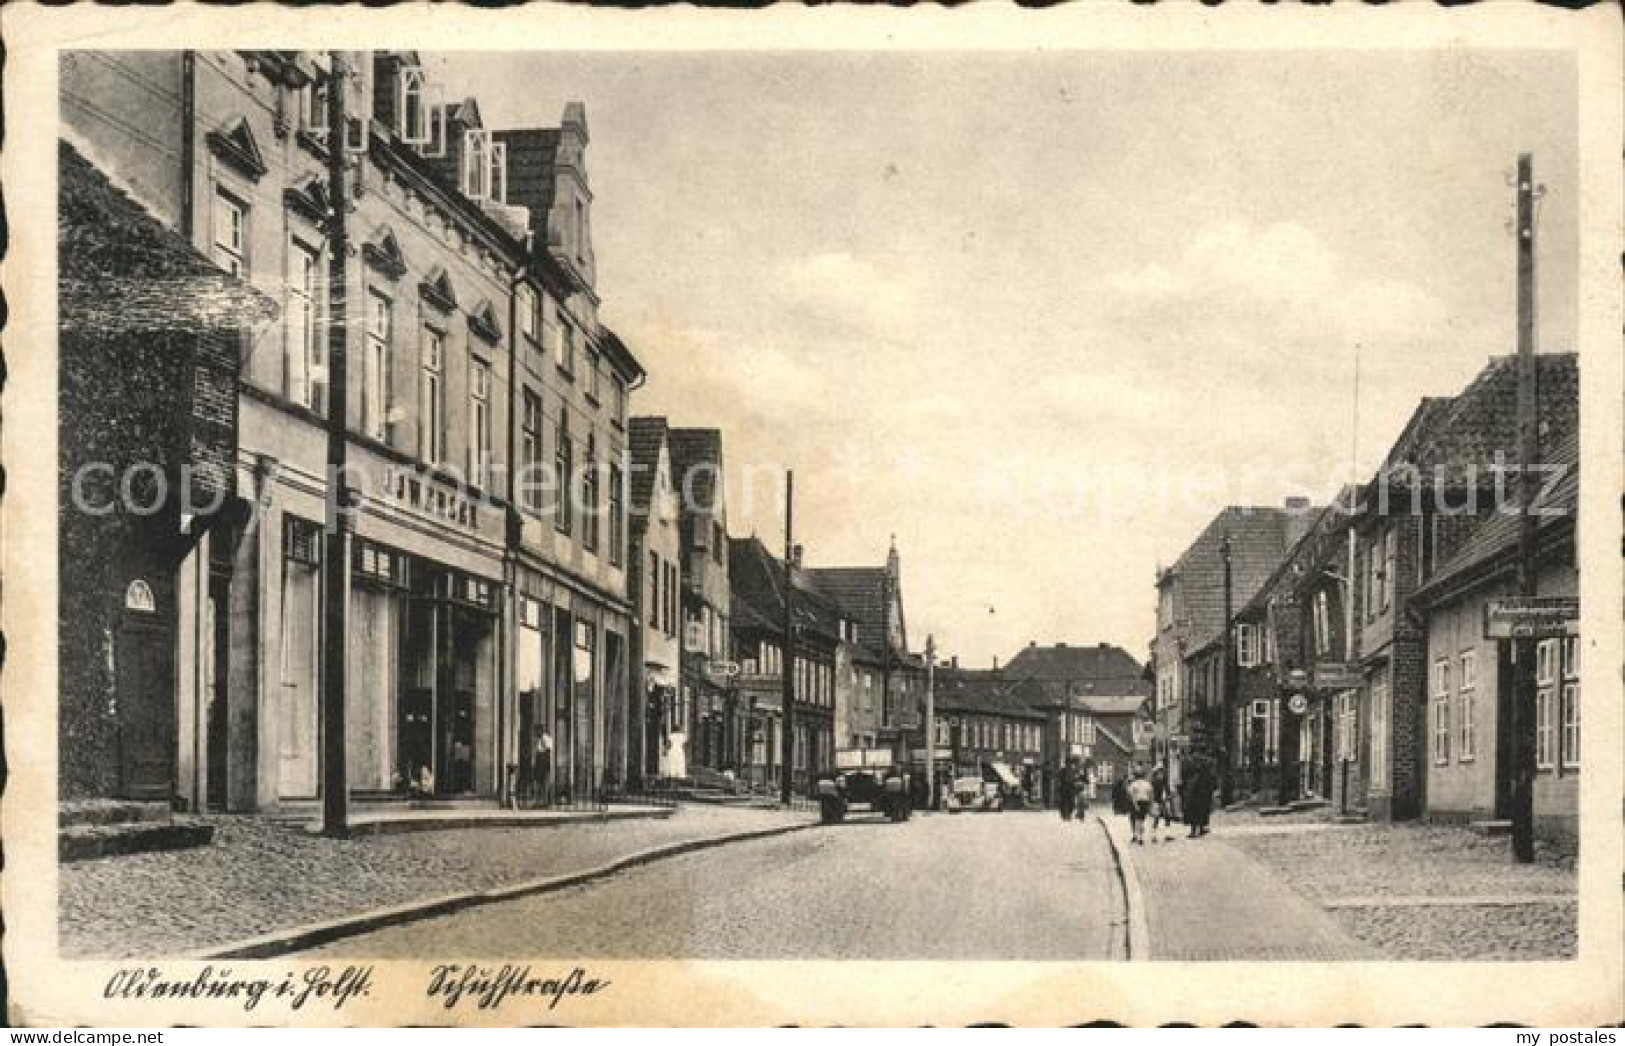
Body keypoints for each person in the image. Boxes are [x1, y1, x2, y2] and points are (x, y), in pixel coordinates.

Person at [1185, 756, 1215, 837]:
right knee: (1199, 812)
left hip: (1199, 796)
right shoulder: (1203, 773)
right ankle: (1199, 829)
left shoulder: (1197, 775)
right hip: (1200, 796)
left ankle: (1197, 830)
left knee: (1197, 813)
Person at [1125, 763, 1154, 845]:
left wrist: (1134, 804)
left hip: (1136, 802)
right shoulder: (1147, 784)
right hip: (1145, 802)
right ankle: (1140, 837)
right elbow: (1151, 794)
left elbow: (1130, 794)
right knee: (1141, 820)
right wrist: (1150, 805)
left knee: (1137, 820)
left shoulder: (1133, 784)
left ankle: (1138, 837)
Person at [1149, 762, 1173, 843]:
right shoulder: (1155, 782)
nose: (1161, 774)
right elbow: (1153, 793)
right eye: (1160, 772)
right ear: (1157, 773)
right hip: (1157, 802)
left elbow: (1167, 791)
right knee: (1157, 819)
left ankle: (1167, 835)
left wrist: (1169, 796)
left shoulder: (1164, 781)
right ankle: (1153, 836)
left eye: (1162, 772)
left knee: (1167, 817)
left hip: (1163, 801)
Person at [1056, 756, 1079, 822]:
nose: (1069, 764)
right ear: (1066, 764)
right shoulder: (1062, 770)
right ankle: (1064, 815)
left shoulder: (1073, 771)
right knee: (1063, 802)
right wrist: (1059, 786)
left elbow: (1076, 779)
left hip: (1071, 788)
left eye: (1070, 763)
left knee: (1072, 803)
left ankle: (1068, 814)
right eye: (1067, 763)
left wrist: (1076, 785)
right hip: (1064, 788)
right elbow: (1058, 778)